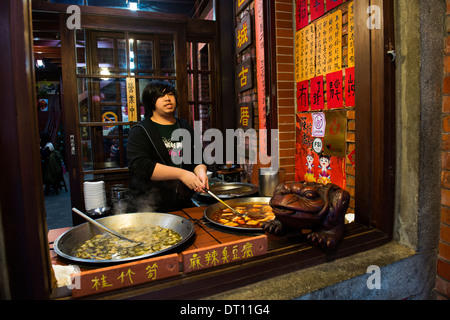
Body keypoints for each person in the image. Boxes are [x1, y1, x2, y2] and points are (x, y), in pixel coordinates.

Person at [127, 80, 208, 212]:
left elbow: (198, 155)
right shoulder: (140, 130)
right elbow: (141, 166)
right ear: (150, 101)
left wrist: (201, 171)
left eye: (170, 94)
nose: (167, 98)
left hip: (183, 203)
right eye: (160, 95)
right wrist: (182, 174)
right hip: (150, 206)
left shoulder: (183, 126)